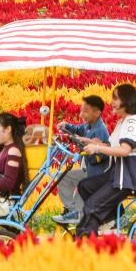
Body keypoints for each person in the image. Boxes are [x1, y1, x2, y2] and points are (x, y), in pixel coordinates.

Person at [73, 84, 136, 238]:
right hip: (119, 174)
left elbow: (124, 150)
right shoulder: (123, 121)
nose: (112, 102)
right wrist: (90, 142)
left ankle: (89, 239)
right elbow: (111, 145)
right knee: (85, 186)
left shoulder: (132, 123)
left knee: (92, 207)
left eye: (116, 98)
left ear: (127, 100)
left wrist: (97, 149)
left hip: (131, 179)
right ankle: (109, 220)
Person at [52, 95, 111, 225]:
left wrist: (86, 147)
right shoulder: (88, 125)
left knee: (81, 184)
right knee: (64, 177)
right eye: (81, 110)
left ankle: (78, 213)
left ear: (97, 112)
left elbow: (100, 157)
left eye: (85, 111)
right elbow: (78, 129)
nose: (81, 114)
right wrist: (66, 126)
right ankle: (72, 209)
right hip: (88, 170)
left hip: (97, 174)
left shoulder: (100, 130)